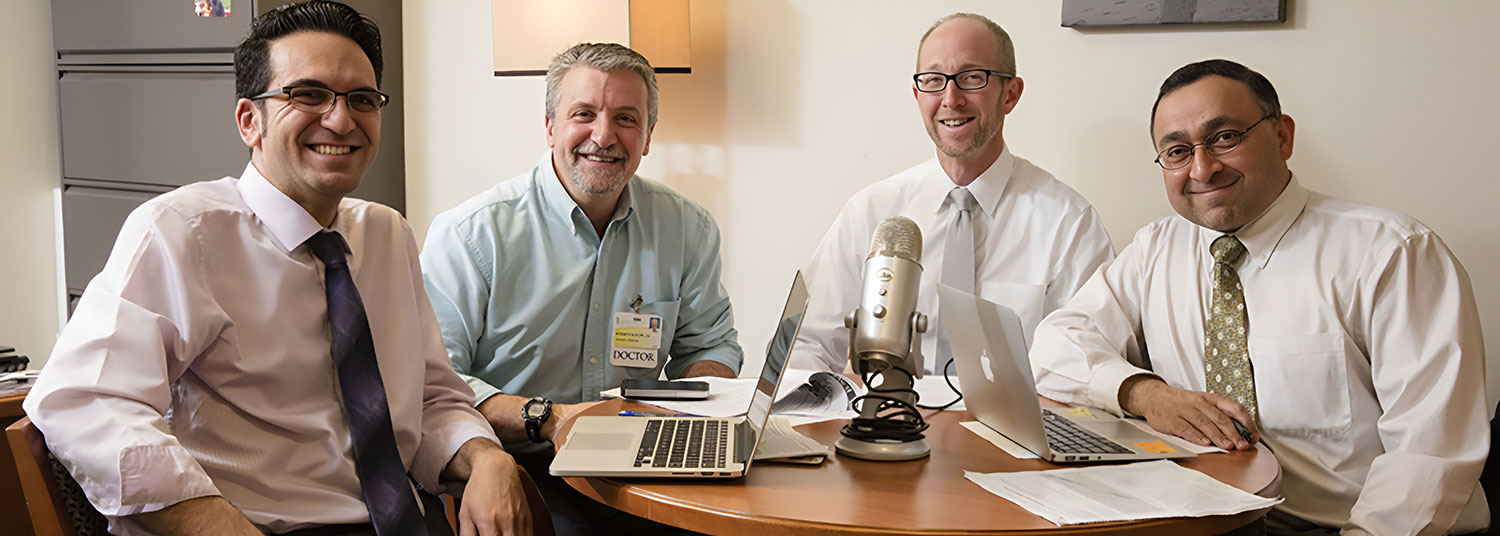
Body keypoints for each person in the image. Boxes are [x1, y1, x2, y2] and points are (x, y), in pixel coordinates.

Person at [24, 3, 530, 535]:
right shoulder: (180, 232)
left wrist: (486, 458)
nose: (341, 119)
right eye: (308, 95)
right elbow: (84, 401)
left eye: (361, 99)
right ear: (250, 121)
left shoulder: (386, 234)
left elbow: (430, 400)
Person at [1029, 59, 1488, 534]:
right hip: (1200, 518)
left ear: (1283, 137)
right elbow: (1055, 345)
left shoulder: (1392, 253)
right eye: (1178, 151)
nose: (1202, 168)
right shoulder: (1157, 247)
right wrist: (1145, 394)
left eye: (1225, 138)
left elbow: (1430, 456)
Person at [420, 42, 742, 534]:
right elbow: (436, 380)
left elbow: (710, 344)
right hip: (521, 462)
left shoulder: (687, 227)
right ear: (550, 127)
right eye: (583, 114)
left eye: (626, 118)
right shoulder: (471, 234)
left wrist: (688, 411)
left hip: (639, 456)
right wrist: (550, 418)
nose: (604, 135)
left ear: (649, 135)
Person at [788, 13, 1114, 376]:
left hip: (1014, 431)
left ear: (1011, 94)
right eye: (933, 80)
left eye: (972, 78)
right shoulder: (872, 212)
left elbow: (1091, 361)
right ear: (917, 95)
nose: (950, 98)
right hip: (888, 424)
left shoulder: (1067, 222)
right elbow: (806, 345)